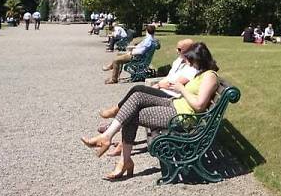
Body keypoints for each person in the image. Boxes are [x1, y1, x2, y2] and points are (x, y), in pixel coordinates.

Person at [82, 42, 220, 180]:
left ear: (200, 59)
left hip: (182, 117)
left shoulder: (210, 76)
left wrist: (181, 88)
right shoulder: (201, 73)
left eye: (191, 60)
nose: (188, 63)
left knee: (132, 114)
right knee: (137, 96)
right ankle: (109, 139)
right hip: (175, 105)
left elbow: (200, 105)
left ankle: (121, 156)